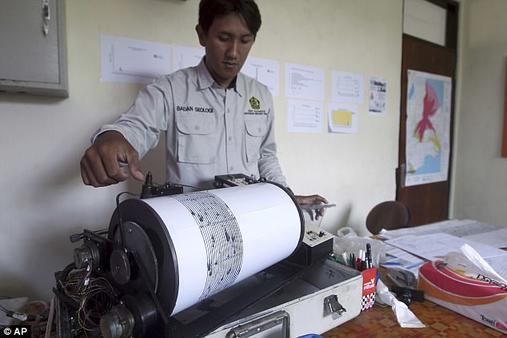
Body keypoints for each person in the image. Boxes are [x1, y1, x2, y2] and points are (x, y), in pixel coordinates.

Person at [80, 0, 328, 218]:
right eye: (223, 38)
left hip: (253, 218)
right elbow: (136, 127)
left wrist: (287, 198)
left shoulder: (260, 95)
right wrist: (113, 137)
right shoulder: (171, 89)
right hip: (193, 226)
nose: (233, 52)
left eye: (245, 40)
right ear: (202, 35)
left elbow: (266, 157)